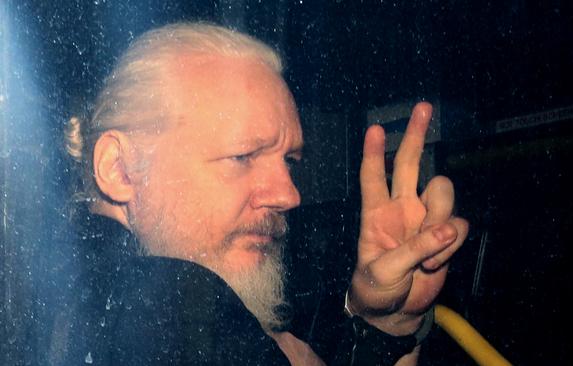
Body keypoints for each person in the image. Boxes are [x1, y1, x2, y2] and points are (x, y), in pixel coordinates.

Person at [50, 21, 468, 366]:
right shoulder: (174, 303)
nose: (289, 195)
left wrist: (388, 322)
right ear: (119, 169)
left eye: (289, 161)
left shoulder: (67, 304)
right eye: (244, 155)